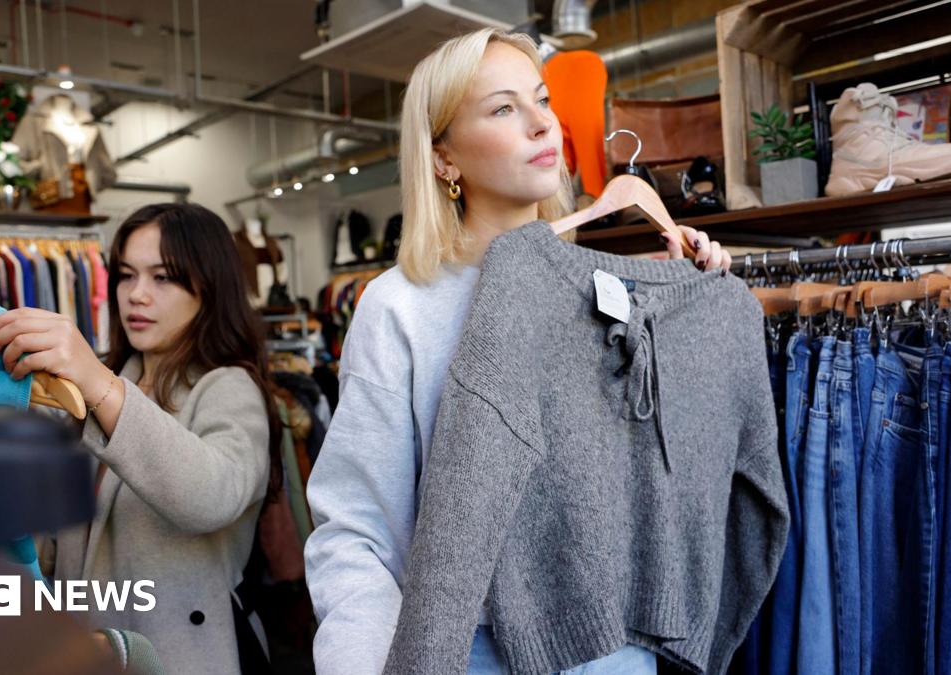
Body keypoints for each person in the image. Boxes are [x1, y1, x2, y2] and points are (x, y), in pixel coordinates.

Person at [304, 28, 733, 675]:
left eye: (541, 100)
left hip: (617, 652)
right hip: (475, 653)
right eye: (503, 108)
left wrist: (694, 311)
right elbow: (357, 529)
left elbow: (662, 485)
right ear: (443, 158)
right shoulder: (402, 307)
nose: (541, 124)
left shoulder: (605, 287)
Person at [0, 203, 283, 675]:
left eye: (163, 277)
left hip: (182, 658)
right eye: (125, 275)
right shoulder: (93, 388)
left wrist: (96, 381)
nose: (136, 295)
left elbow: (211, 497)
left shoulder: (226, 387)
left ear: (209, 286)